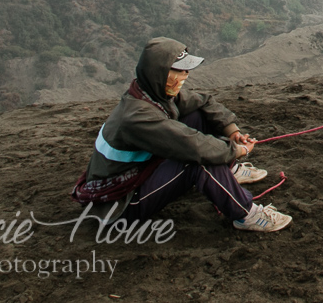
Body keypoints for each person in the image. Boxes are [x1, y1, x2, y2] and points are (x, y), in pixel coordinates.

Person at [71, 37, 291, 232]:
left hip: (136, 175)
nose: (186, 75)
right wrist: (239, 150)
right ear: (159, 72)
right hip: (119, 204)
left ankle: (228, 171)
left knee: (196, 115)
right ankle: (247, 215)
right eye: (179, 70)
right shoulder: (137, 117)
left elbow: (203, 101)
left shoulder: (150, 93)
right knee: (198, 160)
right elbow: (196, 147)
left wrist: (233, 132)